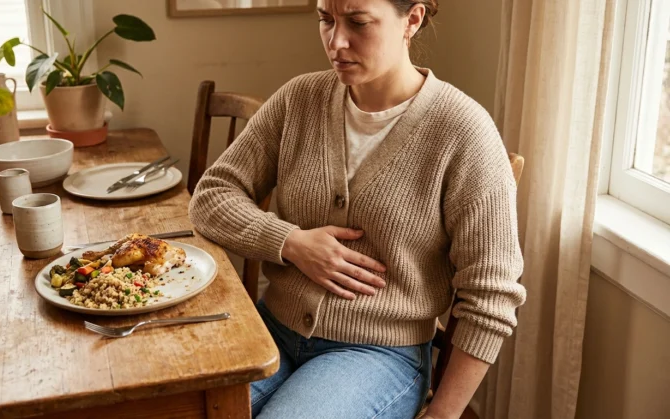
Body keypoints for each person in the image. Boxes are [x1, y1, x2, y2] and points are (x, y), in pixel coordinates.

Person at [188, 0, 526, 417]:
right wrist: (290, 242)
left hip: (378, 354)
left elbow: (492, 294)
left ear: (413, 20)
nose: (336, 41)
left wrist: (444, 413)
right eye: (325, 20)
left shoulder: (463, 131)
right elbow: (212, 194)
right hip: (269, 331)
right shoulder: (300, 99)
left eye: (358, 22)